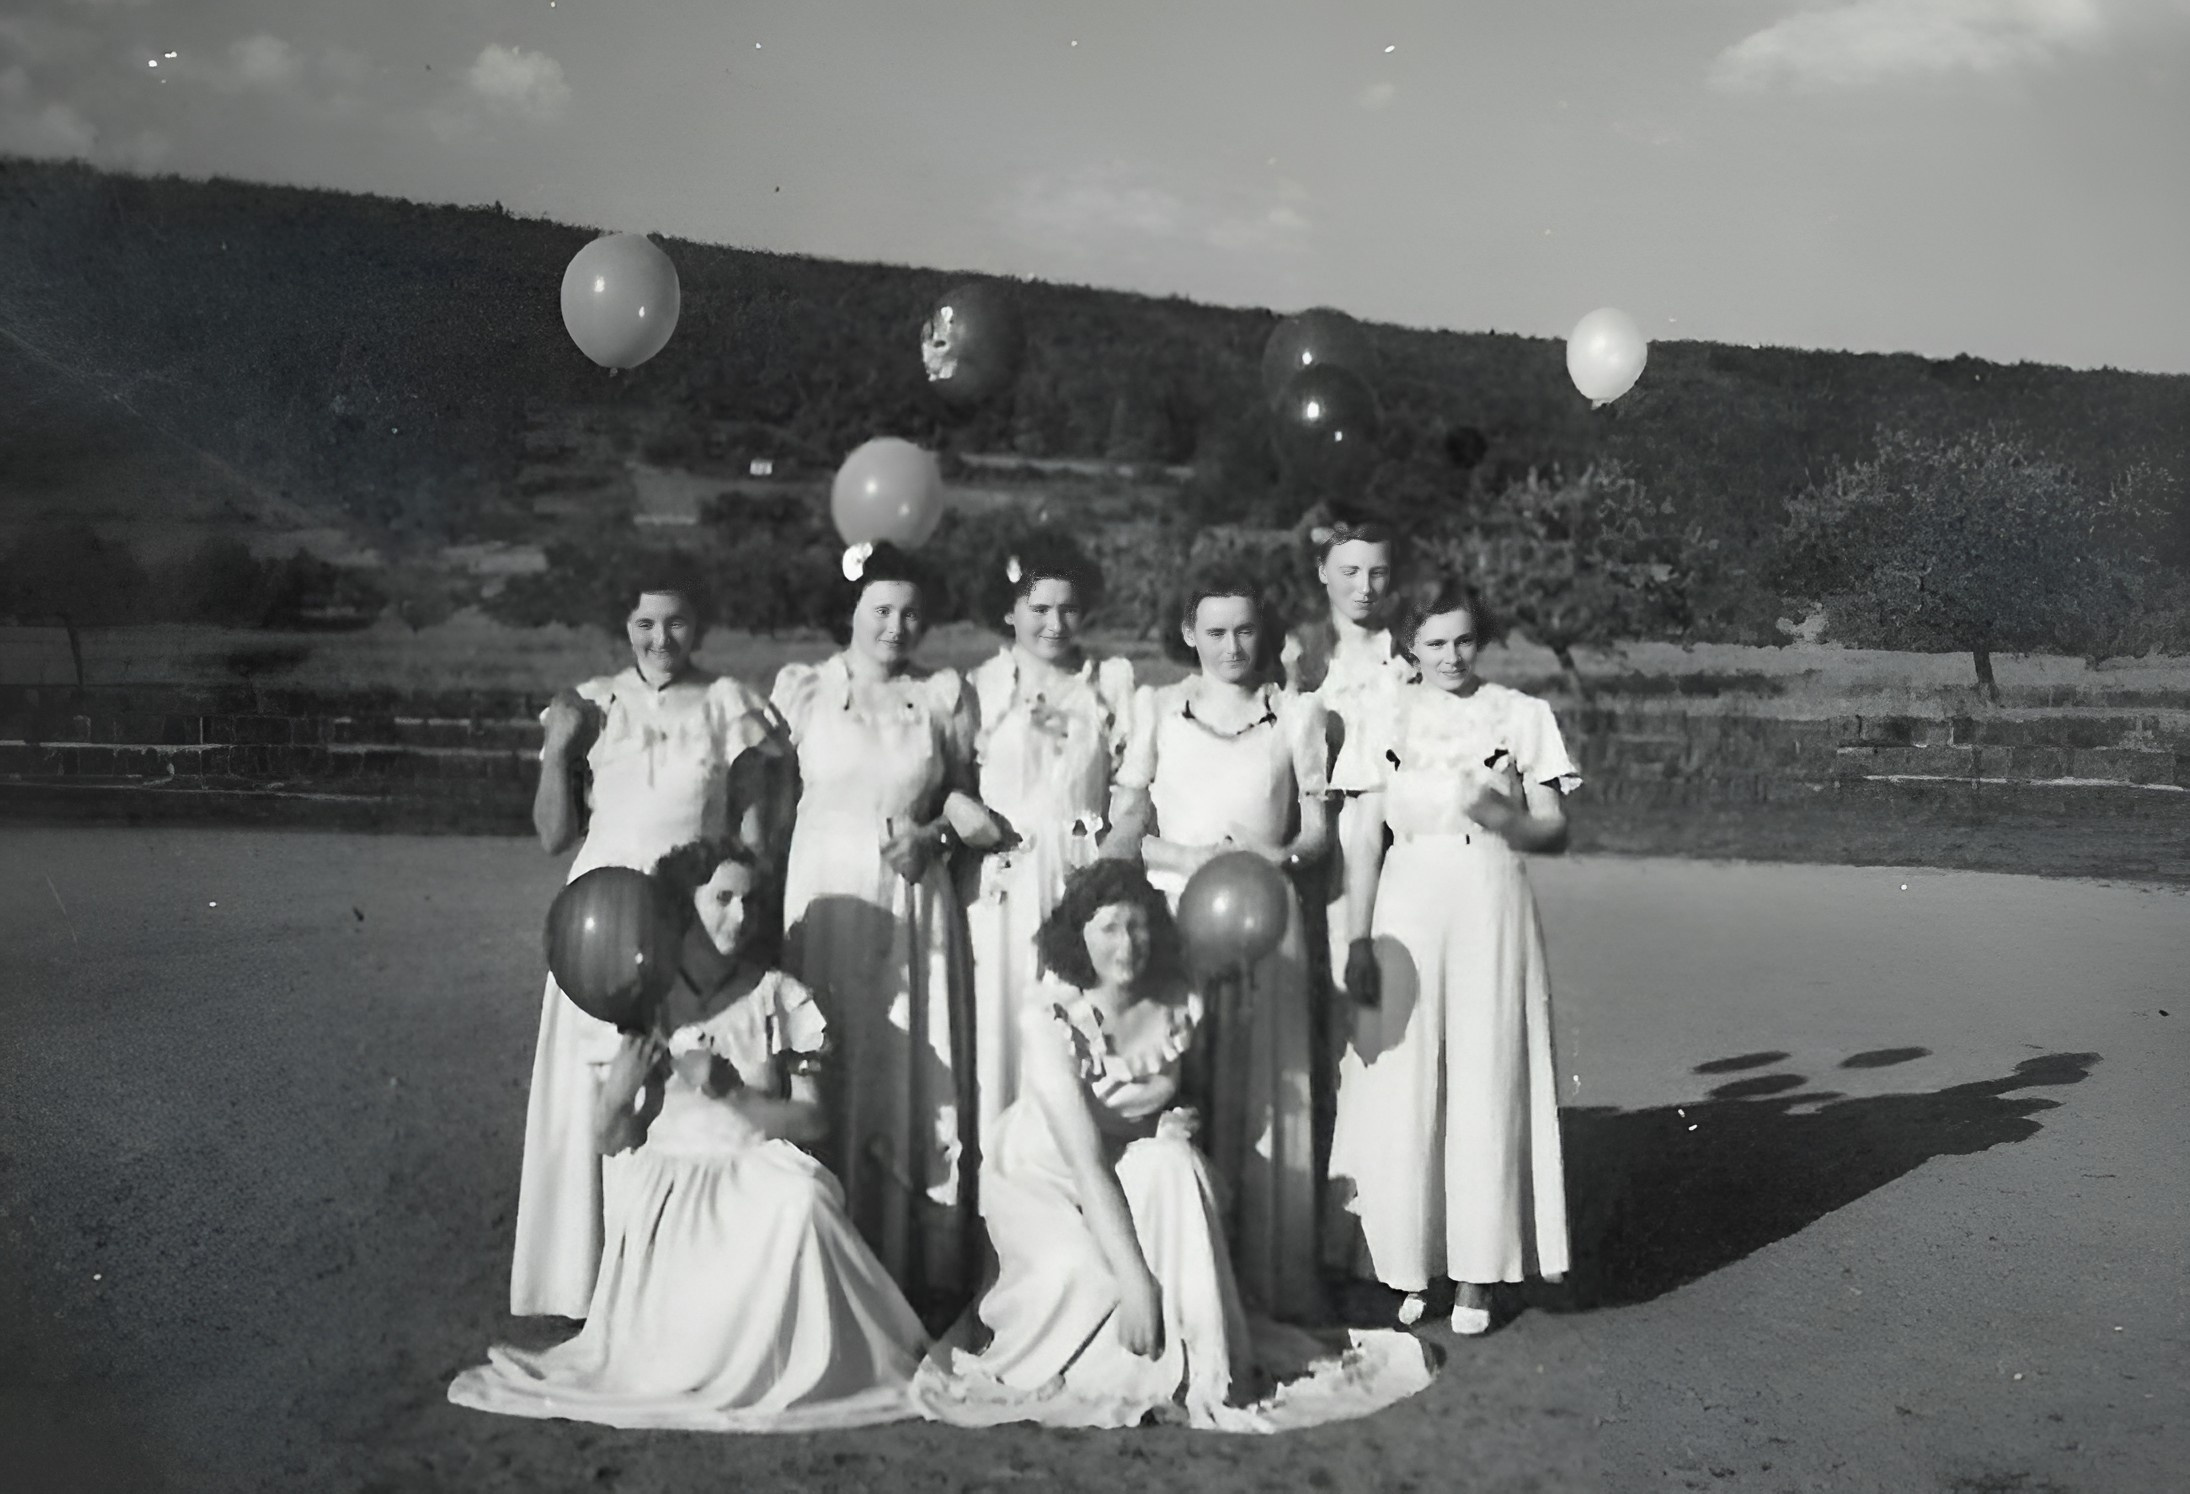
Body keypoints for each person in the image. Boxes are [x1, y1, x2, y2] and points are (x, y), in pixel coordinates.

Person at [912, 862, 1434, 1432]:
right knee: (1087, 1278)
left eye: (1138, 926)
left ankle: (1194, 1366)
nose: (1126, 944)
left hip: (1129, 1161)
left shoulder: (1177, 997)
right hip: (1046, 1176)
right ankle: (1109, 1362)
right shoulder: (1051, 1018)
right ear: (1078, 935)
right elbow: (1087, 1165)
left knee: (1178, 1166)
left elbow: (1178, 1093)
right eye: (1109, 928)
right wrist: (1135, 1280)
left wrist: (1177, 1117)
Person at [451, 838, 928, 1431]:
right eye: (722, 899)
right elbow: (611, 1139)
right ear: (684, 906)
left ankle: (789, 1364)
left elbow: (815, 1121)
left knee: (803, 1198)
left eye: (751, 901)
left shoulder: (776, 994)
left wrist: (732, 1092)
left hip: (753, 1167)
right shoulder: (645, 1000)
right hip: (672, 1183)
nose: (741, 916)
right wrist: (620, 1090)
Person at [511, 572, 786, 1320]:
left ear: (700, 625)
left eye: (676, 623)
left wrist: (744, 930)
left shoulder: (730, 704)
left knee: (674, 1084)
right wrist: (557, 748)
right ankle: (579, 1282)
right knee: (595, 1084)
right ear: (623, 626)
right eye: (644, 624)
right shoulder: (590, 704)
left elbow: (751, 840)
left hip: (685, 918)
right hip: (597, 921)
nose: (660, 640)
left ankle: (667, 1282)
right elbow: (552, 834)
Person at [1325, 576, 1580, 1335]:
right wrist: (1358, 939)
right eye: (1434, 642)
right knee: (1403, 1082)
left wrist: (1507, 817)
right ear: (1409, 645)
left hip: (1490, 903)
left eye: (1464, 640)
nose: (1451, 656)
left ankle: (1476, 1275)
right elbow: (1363, 842)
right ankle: (1411, 1264)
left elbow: (1553, 829)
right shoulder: (1382, 717)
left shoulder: (1520, 715)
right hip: (1405, 905)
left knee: (1484, 1075)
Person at [771, 541, 1005, 1320]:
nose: (896, 626)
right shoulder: (804, 691)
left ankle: (912, 1261)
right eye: (881, 610)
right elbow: (768, 805)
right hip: (826, 899)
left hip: (913, 906)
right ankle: (820, 1253)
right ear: (852, 609)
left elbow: (965, 803)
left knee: (910, 1070)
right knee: (826, 1059)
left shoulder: (941, 696)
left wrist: (933, 836)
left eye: (910, 613)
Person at [1109, 565, 1330, 1322]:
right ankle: (1183, 1275)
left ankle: (1263, 1273)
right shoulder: (1158, 709)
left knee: (1263, 1089)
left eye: (1243, 630)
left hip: (1266, 923)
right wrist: (1183, 860)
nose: (1231, 647)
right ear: (1188, 634)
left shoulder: (1295, 716)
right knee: (1182, 1085)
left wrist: (1268, 860)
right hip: (1174, 919)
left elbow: (1315, 837)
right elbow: (1129, 824)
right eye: (1215, 632)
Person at [963, 531, 1138, 1147]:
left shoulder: (1109, 683)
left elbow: (1133, 792)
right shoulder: (980, 687)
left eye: (1069, 608)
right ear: (1009, 611)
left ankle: (1079, 1172)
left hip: (1083, 876)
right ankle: (1001, 1173)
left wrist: (1111, 870)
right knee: (1005, 1023)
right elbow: (948, 781)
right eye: (1039, 609)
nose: (1055, 624)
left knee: (1080, 1024)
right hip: (1003, 886)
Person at [1278, 504, 1418, 1186]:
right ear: (1323, 573)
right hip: (1320, 854)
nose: (1365, 586)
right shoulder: (1302, 653)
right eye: (1350, 571)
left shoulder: (1408, 655)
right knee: (1323, 1010)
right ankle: (1327, 1183)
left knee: (1390, 1010)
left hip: (1396, 850)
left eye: (1377, 572)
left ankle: (1389, 1174)